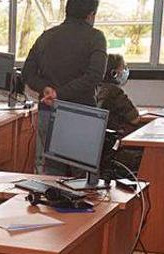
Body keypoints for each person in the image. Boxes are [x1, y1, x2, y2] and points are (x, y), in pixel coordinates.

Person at [23, 0, 107, 174]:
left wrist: (46, 89)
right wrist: (59, 93)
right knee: (83, 179)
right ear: (91, 15)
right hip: (81, 114)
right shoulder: (96, 37)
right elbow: (95, 76)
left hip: (48, 111)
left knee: (53, 177)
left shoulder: (46, 36)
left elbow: (27, 72)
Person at [97, 53, 153, 172]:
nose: (125, 70)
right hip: (117, 143)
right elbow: (135, 119)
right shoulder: (115, 92)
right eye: (123, 67)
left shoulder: (98, 89)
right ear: (114, 73)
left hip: (103, 145)